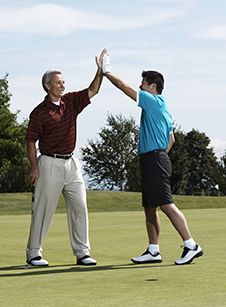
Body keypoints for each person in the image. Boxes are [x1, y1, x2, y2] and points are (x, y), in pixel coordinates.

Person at [102, 51, 204, 265]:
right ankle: (153, 250)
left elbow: (123, 87)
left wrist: (106, 71)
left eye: (143, 83)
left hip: (155, 160)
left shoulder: (153, 101)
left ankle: (191, 245)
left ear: (152, 86)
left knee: (166, 205)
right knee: (150, 207)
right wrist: (158, 155)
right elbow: (172, 140)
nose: (140, 86)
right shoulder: (163, 108)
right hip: (155, 159)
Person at [25, 49, 107, 267]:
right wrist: (34, 167)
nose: (62, 85)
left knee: (79, 205)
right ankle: (34, 253)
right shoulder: (39, 112)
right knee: (43, 209)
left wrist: (100, 71)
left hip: (71, 163)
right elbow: (30, 141)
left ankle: (82, 253)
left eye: (63, 82)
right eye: (58, 83)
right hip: (48, 163)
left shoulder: (71, 102)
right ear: (47, 86)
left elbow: (93, 90)